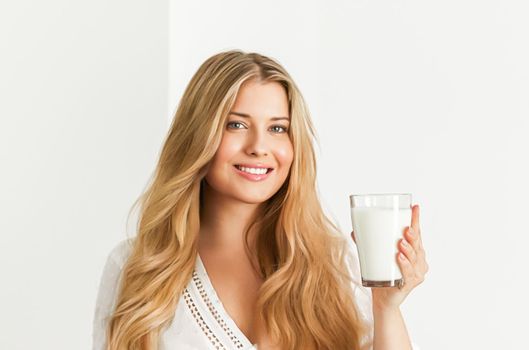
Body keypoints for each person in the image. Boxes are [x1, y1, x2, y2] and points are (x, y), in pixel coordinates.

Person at [92, 50, 428, 350]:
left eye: (278, 129)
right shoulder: (137, 267)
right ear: (198, 135)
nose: (258, 146)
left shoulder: (337, 265)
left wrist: (386, 306)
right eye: (236, 125)